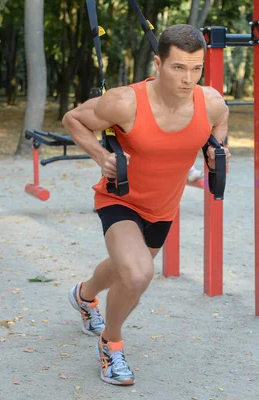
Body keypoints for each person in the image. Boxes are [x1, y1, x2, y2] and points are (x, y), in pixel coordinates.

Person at [61, 23, 230, 386]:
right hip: (119, 198)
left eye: (196, 68)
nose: (188, 79)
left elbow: (220, 119)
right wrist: (98, 154)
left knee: (125, 268)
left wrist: (214, 149)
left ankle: (84, 296)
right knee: (137, 274)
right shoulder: (125, 102)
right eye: (178, 67)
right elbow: (73, 118)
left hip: (162, 208)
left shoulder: (211, 102)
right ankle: (111, 345)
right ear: (158, 63)